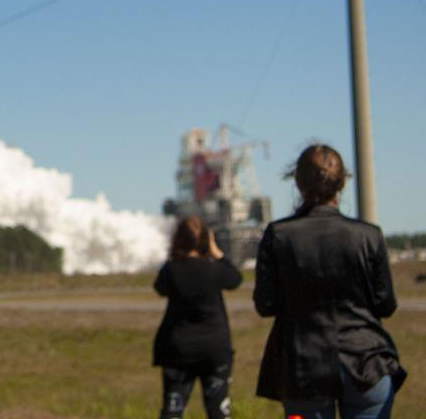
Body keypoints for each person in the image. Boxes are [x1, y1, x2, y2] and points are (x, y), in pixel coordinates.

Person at [254, 144, 406, 418]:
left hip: (303, 370)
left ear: (298, 182)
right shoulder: (369, 235)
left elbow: (266, 305)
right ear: (342, 182)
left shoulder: (278, 235)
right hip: (366, 363)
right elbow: (386, 305)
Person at [152, 216, 241, 418]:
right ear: (205, 240)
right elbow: (235, 279)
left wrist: (176, 254)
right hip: (214, 350)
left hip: (178, 350)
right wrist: (216, 252)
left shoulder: (172, 270)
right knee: (217, 410)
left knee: (172, 410)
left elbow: (159, 287)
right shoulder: (215, 270)